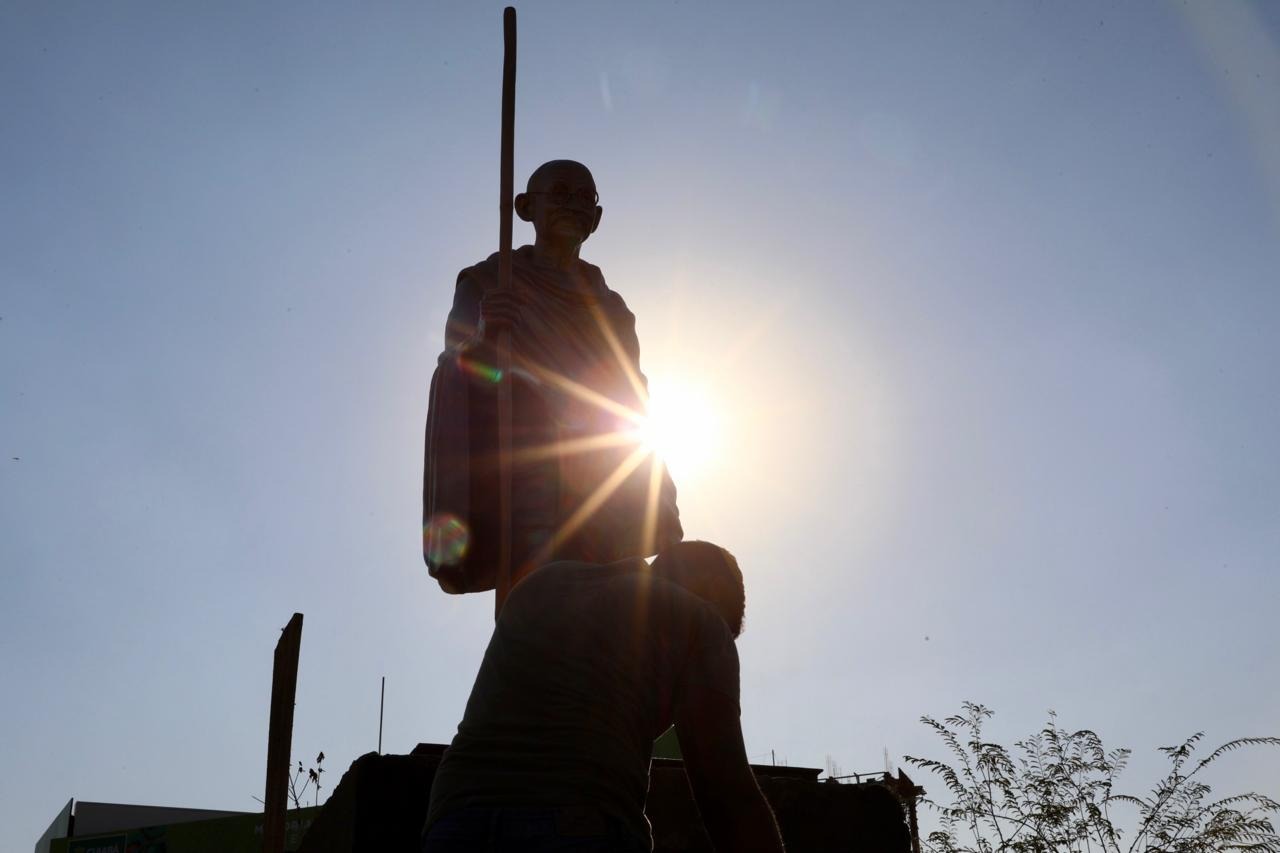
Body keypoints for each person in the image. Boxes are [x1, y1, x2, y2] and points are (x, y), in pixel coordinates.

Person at [421, 541, 786, 853]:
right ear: (710, 586)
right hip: (579, 821)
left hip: (453, 818)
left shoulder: (542, 583)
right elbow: (725, 791)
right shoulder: (701, 621)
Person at [423, 159, 682, 594]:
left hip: (600, 461)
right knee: (540, 585)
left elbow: (633, 396)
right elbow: (455, 364)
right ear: (525, 208)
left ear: (596, 219)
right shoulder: (491, 281)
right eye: (560, 194)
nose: (573, 205)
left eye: (585, 199)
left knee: (613, 591)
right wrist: (486, 337)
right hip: (528, 455)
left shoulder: (613, 309)